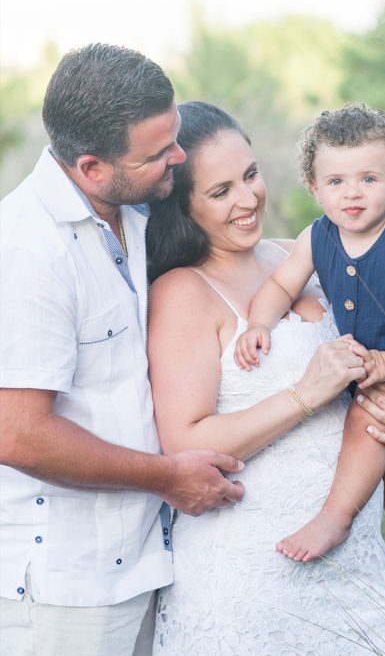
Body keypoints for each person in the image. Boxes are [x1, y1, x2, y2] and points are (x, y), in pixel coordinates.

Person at [145, 100, 385, 653]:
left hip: (356, 570)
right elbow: (185, 442)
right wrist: (305, 394)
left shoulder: (305, 253)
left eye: (250, 175)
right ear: (184, 208)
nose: (248, 198)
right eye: (220, 191)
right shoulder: (183, 292)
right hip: (253, 573)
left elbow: (384, 355)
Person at [0, 44, 245, 655]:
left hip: (146, 563)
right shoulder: (29, 251)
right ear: (90, 167)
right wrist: (167, 478)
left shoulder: (135, 211)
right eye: (159, 153)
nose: (178, 159)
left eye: (176, 138)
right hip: (67, 588)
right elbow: (16, 433)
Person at [233, 104, 385, 595]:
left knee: (368, 421)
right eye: (335, 181)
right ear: (314, 187)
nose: (351, 192)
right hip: (368, 355)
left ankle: (337, 516)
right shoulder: (318, 236)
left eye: (369, 178)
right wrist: (258, 323)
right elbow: (280, 285)